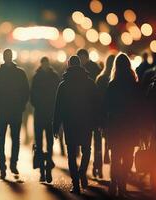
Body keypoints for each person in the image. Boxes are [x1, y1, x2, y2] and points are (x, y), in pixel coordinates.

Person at [53, 56, 99, 194]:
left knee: (71, 153)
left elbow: (58, 107)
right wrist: (97, 122)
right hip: (86, 121)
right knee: (87, 149)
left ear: (68, 65)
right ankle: (82, 172)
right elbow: (96, 104)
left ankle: (75, 183)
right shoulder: (90, 83)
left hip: (70, 122)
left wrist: (56, 126)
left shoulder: (64, 85)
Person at [0, 49, 29, 179]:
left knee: (3, 139)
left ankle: (4, 166)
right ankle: (10, 165)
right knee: (14, 139)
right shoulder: (19, 73)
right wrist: (21, 104)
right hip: (13, 109)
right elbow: (26, 91)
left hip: (4, 110)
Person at [104, 54, 141, 197]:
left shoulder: (112, 85)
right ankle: (123, 184)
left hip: (116, 126)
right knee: (127, 157)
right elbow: (139, 107)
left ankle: (114, 182)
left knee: (116, 157)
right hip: (130, 127)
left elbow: (106, 106)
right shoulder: (134, 84)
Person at [30, 57, 60, 183]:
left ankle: (45, 169)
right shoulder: (53, 77)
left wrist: (37, 104)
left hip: (42, 113)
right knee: (45, 143)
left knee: (46, 142)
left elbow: (32, 96)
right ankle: (45, 169)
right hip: (47, 113)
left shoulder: (37, 77)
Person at [93, 54, 115, 178]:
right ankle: (108, 158)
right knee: (111, 141)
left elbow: (95, 99)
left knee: (97, 142)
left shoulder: (100, 78)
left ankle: (98, 166)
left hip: (99, 114)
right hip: (111, 116)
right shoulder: (115, 80)